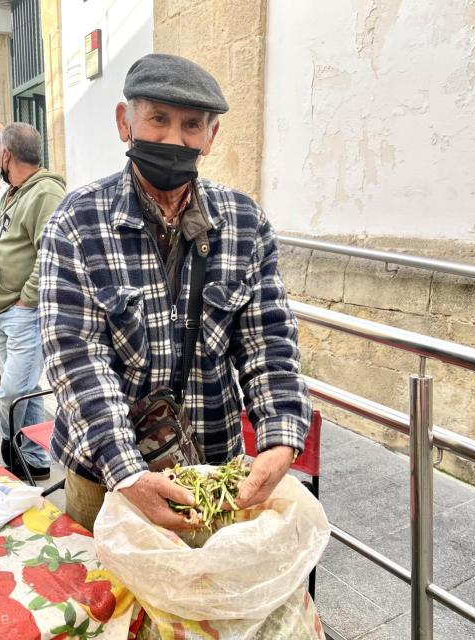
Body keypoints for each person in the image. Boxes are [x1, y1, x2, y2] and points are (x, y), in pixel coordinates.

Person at [39, 54, 312, 533]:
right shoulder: (77, 223)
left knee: (205, 601)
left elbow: (268, 343)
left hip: (212, 470)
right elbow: (76, 359)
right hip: (107, 478)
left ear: (211, 137)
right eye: (158, 119)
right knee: (104, 600)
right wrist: (128, 472)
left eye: (191, 125)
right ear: (126, 122)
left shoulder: (244, 223)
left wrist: (280, 438)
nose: (173, 139)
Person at [0, 123, 66, 479]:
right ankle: (32, 460)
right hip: (0, 309)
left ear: (5, 155)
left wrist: (27, 300)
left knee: (12, 392)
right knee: (23, 391)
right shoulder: (15, 190)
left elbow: (52, 253)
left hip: (22, 313)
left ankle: (10, 442)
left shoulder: (44, 193)